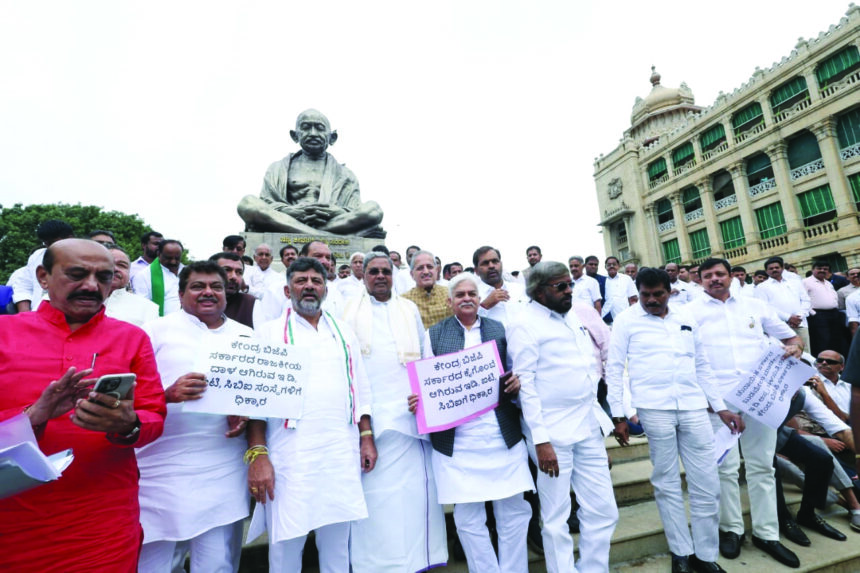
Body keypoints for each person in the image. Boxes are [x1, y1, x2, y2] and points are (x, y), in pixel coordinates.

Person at [0, 238, 166, 572]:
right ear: (43, 277)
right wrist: (33, 416)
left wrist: (128, 424)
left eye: (103, 277)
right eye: (77, 274)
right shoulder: (5, 332)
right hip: (13, 519)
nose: (91, 285)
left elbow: (154, 415)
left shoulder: (132, 339)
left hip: (101, 519)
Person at [607, 267, 743, 573]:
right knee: (666, 482)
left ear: (671, 290)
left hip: (693, 406)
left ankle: (705, 556)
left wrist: (719, 407)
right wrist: (619, 414)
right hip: (653, 409)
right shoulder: (626, 320)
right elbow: (614, 369)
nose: (652, 300)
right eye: (645, 295)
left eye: (658, 294)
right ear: (638, 293)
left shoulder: (685, 316)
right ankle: (681, 552)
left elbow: (702, 365)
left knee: (707, 483)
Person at [247, 257, 375, 572]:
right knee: (287, 543)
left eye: (315, 281)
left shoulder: (344, 333)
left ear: (325, 288)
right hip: (292, 455)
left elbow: (360, 389)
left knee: (337, 543)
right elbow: (254, 403)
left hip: (339, 452)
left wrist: (366, 438)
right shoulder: (268, 333)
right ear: (287, 288)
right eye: (301, 280)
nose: (309, 286)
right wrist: (258, 454)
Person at [410, 273, 533, 573]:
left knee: (514, 512)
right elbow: (428, 384)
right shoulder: (434, 334)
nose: (467, 298)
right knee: (467, 518)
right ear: (450, 301)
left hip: (501, 433)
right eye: (460, 294)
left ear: (480, 299)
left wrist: (516, 383)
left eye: (472, 293)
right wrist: (419, 400)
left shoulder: (499, 329)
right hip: (458, 442)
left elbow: (516, 372)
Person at [136, 261, 252, 572]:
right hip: (162, 462)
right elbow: (128, 397)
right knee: (154, 556)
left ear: (226, 293)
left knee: (216, 558)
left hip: (223, 461)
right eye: (198, 286)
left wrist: (244, 413)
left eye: (216, 287)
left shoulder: (246, 336)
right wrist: (168, 394)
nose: (208, 293)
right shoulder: (154, 331)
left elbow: (259, 397)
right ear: (181, 292)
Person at [688, 258, 804, 567]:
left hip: (759, 396)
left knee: (762, 466)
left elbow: (793, 338)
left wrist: (796, 349)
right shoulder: (689, 312)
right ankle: (732, 529)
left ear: (730, 277)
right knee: (725, 468)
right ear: (699, 280)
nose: (715, 279)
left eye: (720, 274)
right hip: (718, 400)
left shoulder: (754, 305)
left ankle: (767, 534)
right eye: (708, 275)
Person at [508, 261, 618, 572]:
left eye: (569, 284)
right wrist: (541, 442)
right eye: (561, 286)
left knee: (604, 509)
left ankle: (593, 569)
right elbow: (525, 384)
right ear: (540, 292)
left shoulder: (572, 316)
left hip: (587, 423)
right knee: (556, 516)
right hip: (551, 432)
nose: (569, 290)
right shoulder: (524, 322)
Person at [342, 252, 448, 572]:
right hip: (371, 422)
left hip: (410, 420)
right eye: (373, 271)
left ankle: (420, 562)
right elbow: (349, 372)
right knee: (377, 502)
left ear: (393, 274)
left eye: (385, 271)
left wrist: (427, 400)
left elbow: (425, 357)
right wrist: (364, 430)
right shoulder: (347, 312)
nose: (379, 276)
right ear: (363, 276)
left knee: (416, 496)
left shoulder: (408, 308)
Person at [237, 109, 383, 236]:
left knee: (374, 209)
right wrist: (290, 212)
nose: (313, 133)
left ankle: (307, 233)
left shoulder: (345, 174)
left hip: (332, 222)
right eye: (306, 127)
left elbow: (353, 210)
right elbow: (267, 202)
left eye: (320, 128)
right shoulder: (277, 168)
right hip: (287, 219)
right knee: (247, 203)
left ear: (332, 137)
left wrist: (335, 212)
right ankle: (322, 236)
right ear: (295, 135)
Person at [9, 218, 74, 312]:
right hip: (37, 315)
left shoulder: (85, 257)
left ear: (70, 238)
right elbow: (24, 285)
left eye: (54, 242)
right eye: (47, 244)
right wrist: (25, 314)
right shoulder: (37, 256)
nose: (50, 247)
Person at [756, 256, 812, 350]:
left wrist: (799, 316)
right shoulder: (762, 287)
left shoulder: (795, 282)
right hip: (779, 328)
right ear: (766, 271)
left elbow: (806, 300)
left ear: (782, 268)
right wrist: (788, 317)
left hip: (800, 324)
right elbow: (765, 307)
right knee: (785, 356)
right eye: (771, 268)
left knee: (805, 355)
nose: (774, 270)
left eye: (777, 267)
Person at [104, 243, 159, 326]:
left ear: (129, 273)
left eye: (122, 265)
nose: (115, 268)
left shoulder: (148, 308)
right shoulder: (80, 301)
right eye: (107, 263)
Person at [474, 246, 527, 326]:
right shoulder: (471, 296)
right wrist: (484, 306)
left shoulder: (519, 289)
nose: (491, 266)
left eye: (495, 261)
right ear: (476, 271)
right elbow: (466, 326)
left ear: (501, 264)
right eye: (485, 263)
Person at [131, 239, 185, 316]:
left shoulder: (188, 272)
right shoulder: (143, 275)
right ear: (159, 254)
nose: (173, 262)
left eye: (177, 258)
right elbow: (142, 306)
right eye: (169, 258)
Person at [804, 260, 846, 356]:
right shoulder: (806, 282)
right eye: (819, 268)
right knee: (823, 342)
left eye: (825, 269)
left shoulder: (828, 283)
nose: (822, 270)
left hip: (834, 314)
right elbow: (801, 299)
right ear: (813, 269)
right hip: (818, 316)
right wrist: (812, 313)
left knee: (836, 340)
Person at [210, 251, 260, 328]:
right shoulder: (194, 301)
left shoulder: (250, 304)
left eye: (239, 272)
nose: (234, 277)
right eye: (226, 270)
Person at [402, 250, 452, 328]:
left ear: (436, 270)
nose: (425, 271)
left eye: (429, 267)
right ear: (412, 274)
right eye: (420, 268)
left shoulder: (450, 294)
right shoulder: (404, 301)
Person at [601, 255, 637, 323]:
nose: (611, 266)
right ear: (605, 267)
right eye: (609, 265)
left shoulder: (626, 279)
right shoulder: (602, 280)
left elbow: (633, 298)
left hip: (625, 318)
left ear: (618, 266)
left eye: (614, 264)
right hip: (606, 319)